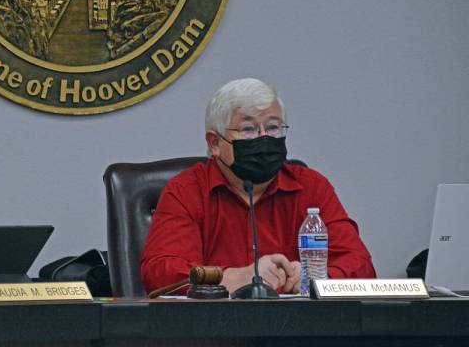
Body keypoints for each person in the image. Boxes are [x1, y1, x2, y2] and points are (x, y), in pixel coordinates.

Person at [141, 78, 376, 295]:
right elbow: (161, 274)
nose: (264, 139)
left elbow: (361, 266)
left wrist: (316, 279)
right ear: (214, 143)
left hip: (296, 331)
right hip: (214, 331)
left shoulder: (311, 188)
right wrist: (235, 277)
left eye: (273, 128)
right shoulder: (186, 191)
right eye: (248, 130)